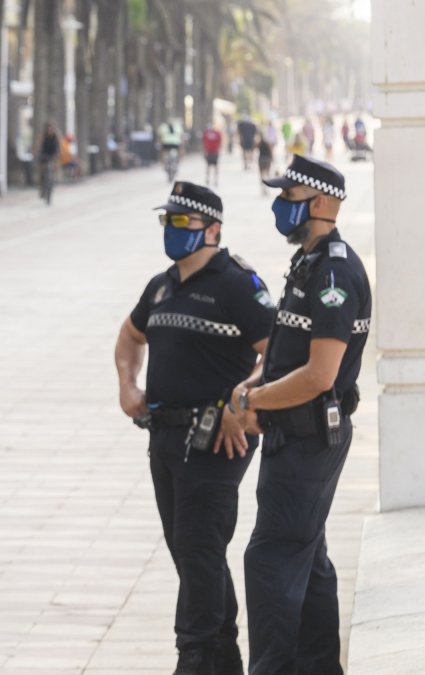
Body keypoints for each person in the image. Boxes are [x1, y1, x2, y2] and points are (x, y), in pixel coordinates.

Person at [116, 182, 274, 675]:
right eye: (168, 222)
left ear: (213, 229)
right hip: (163, 435)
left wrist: (241, 400)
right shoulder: (162, 285)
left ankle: (196, 654)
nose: (172, 230)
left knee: (199, 545)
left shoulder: (237, 283)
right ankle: (223, 655)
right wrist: (127, 383)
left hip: (218, 437)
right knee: (188, 549)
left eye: (182, 222)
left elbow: (277, 353)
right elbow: (129, 335)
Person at [225, 155, 371, 675]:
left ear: (322, 203)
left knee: (270, 559)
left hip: (309, 439)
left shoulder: (334, 271)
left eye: (289, 197)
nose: (280, 204)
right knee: (307, 564)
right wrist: (253, 385)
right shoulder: (308, 263)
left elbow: (319, 375)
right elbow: (287, 355)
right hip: (295, 438)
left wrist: (252, 402)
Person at [38, 122, 61, 203]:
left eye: (52, 129)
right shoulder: (43, 136)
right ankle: (42, 188)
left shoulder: (55, 137)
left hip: (52, 155)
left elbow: (58, 147)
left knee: (53, 170)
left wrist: (57, 155)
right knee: (42, 171)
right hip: (44, 155)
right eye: (49, 129)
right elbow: (40, 146)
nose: (50, 130)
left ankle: (52, 185)